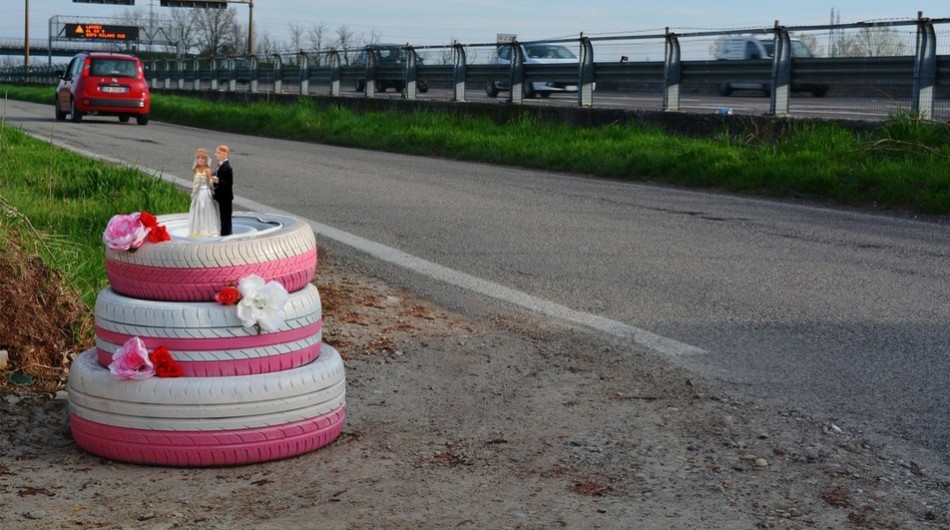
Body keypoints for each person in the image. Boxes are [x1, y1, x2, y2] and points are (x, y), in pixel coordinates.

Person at [187, 148, 220, 238]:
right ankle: (197, 230)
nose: (200, 160)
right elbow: (195, 181)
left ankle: (208, 230)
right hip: (197, 192)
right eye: (199, 158)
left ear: (206, 160)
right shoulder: (196, 169)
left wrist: (213, 180)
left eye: (203, 158)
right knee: (197, 208)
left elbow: (210, 181)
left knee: (205, 208)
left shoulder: (208, 170)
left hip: (205, 192)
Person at [213, 144, 234, 236]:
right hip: (221, 196)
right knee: (222, 215)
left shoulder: (227, 167)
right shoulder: (221, 166)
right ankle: (223, 231)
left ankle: (226, 232)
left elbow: (228, 183)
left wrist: (217, 181)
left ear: (225, 154)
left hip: (225, 196)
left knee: (226, 216)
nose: (216, 155)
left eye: (218, 153)